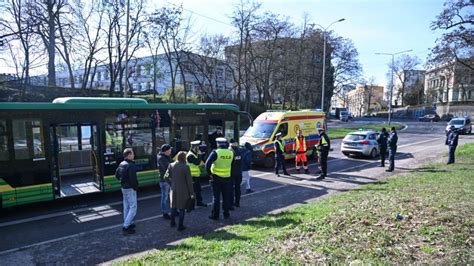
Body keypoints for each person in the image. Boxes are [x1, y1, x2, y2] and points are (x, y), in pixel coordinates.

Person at [165, 151, 195, 231]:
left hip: (173, 189)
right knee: (182, 208)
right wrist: (192, 193)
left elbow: (166, 177)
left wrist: (171, 183)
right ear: (184, 158)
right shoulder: (186, 167)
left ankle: (172, 223)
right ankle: (180, 226)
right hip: (183, 191)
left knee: (173, 207)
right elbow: (189, 182)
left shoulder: (171, 165)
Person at [205, 137, 234, 220]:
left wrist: (209, 174)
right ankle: (226, 214)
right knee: (226, 197)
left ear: (218, 144)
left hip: (216, 177)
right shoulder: (231, 152)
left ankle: (215, 215)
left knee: (216, 197)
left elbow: (207, 164)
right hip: (227, 177)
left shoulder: (215, 152)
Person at [115, 148, 139, 235]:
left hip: (123, 188)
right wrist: (135, 187)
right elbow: (133, 179)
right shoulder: (130, 165)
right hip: (130, 188)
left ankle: (128, 223)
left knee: (126, 207)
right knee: (133, 207)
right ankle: (126, 226)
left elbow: (117, 175)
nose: (134, 155)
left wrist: (123, 181)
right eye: (132, 154)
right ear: (129, 155)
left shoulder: (121, 163)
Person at [186, 140, 207, 207]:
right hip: (191, 176)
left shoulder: (195, 153)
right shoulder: (190, 155)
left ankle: (199, 202)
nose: (198, 149)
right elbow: (197, 162)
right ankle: (189, 204)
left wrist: (202, 155)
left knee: (198, 190)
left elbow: (199, 160)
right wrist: (200, 154)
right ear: (194, 147)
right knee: (191, 191)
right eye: (197, 147)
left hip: (196, 175)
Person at [157, 144, 172, 219]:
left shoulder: (165, 157)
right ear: (166, 151)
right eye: (169, 150)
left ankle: (172, 211)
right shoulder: (162, 158)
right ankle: (165, 213)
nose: (171, 151)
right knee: (165, 197)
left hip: (167, 180)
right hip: (165, 180)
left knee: (169, 196)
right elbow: (168, 168)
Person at [229, 139, 242, 208]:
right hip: (238, 172)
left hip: (231, 172)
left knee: (230, 188)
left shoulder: (230, 152)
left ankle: (231, 204)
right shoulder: (239, 151)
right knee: (237, 188)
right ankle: (237, 203)